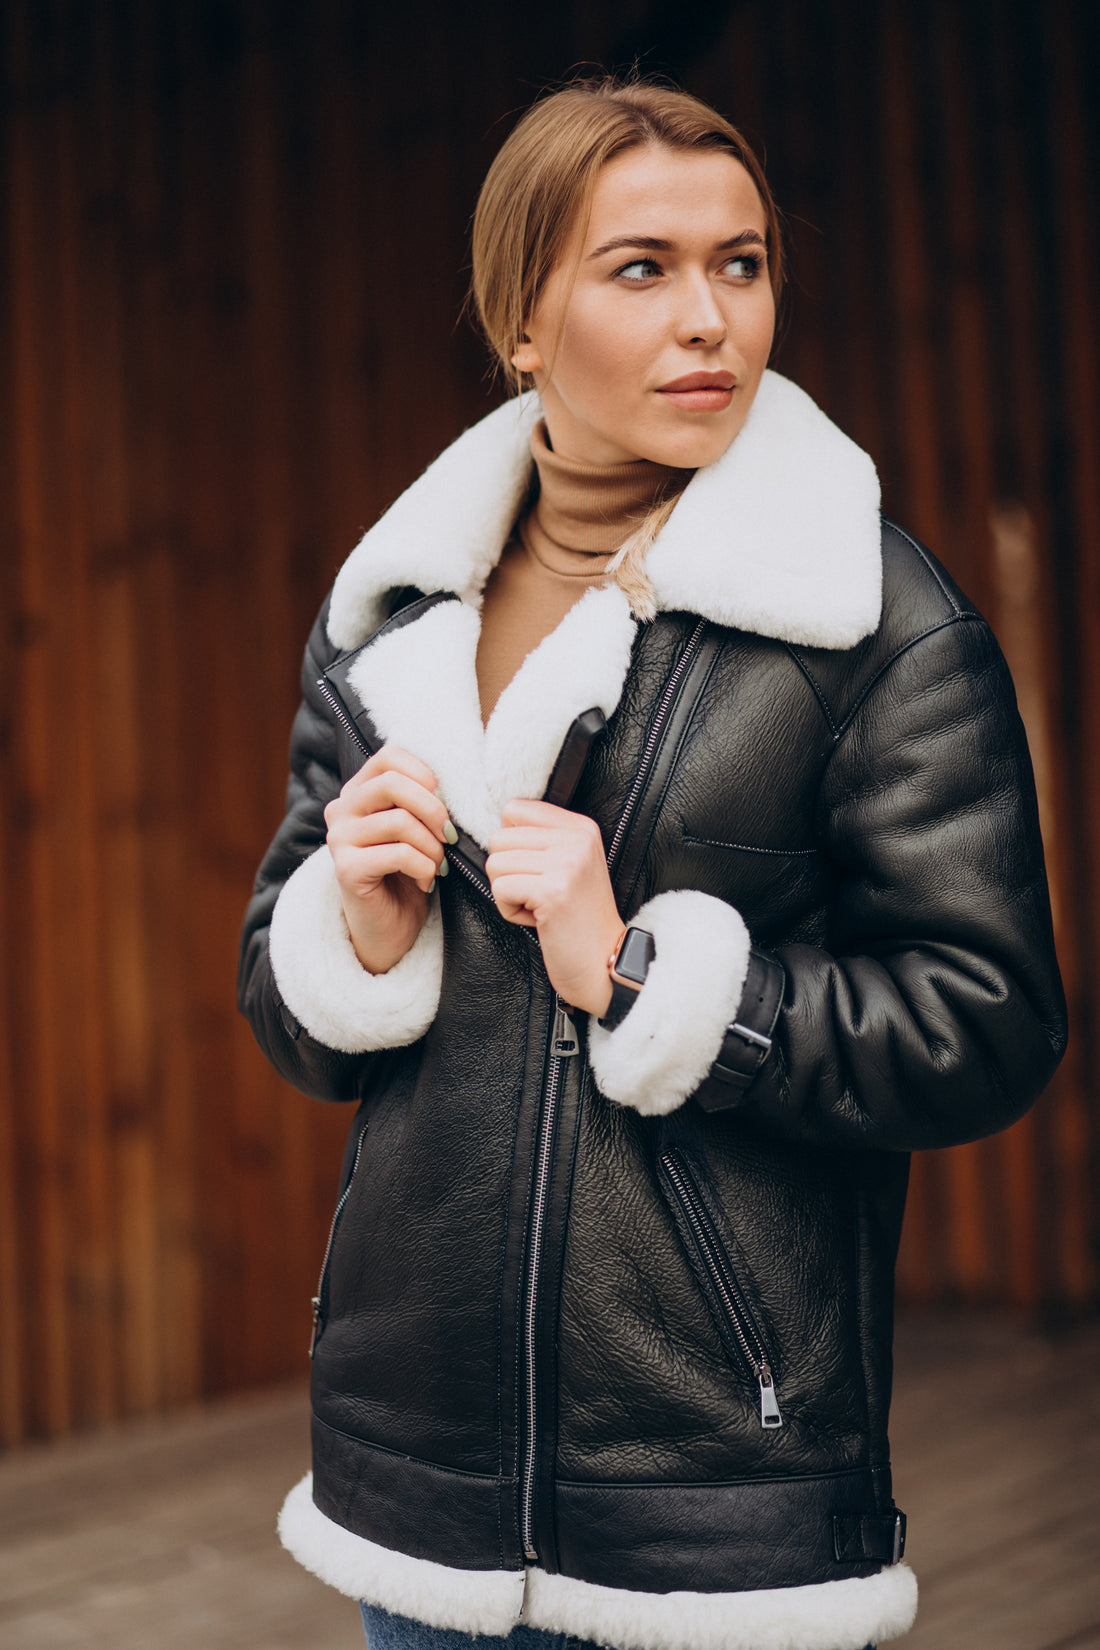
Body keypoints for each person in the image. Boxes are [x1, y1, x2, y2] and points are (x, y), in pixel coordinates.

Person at [238, 75, 1066, 1650]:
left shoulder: (872, 624)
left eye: (740, 263)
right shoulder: (391, 624)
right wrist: (347, 922)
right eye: (643, 268)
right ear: (522, 322)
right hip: (411, 1491)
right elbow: (285, 1015)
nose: (712, 318)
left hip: (719, 1500)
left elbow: (988, 1022)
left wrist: (654, 978)